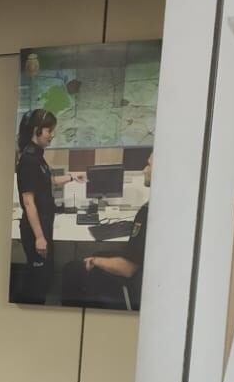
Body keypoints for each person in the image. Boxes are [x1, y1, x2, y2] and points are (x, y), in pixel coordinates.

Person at [59, 152, 152, 310]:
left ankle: (71, 315)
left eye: (149, 165)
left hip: (132, 283)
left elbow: (128, 268)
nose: (144, 170)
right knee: (100, 253)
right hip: (142, 277)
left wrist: (95, 261)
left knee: (71, 269)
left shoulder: (147, 212)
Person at [15, 109, 84, 304]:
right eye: (49, 130)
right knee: (38, 283)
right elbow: (28, 201)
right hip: (35, 230)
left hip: (44, 224)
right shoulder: (28, 160)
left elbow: (47, 180)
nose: (52, 135)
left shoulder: (37, 156)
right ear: (36, 130)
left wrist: (72, 177)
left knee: (44, 277)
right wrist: (39, 238)